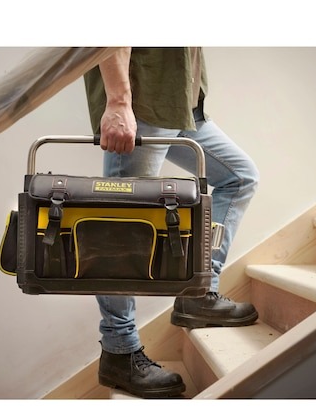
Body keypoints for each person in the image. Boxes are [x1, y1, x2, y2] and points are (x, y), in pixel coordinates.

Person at [83, 47, 260, 398]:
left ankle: (198, 293)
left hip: (180, 106)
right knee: (122, 226)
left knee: (239, 178)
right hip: (146, 103)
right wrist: (118, 102)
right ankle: (119, 349)